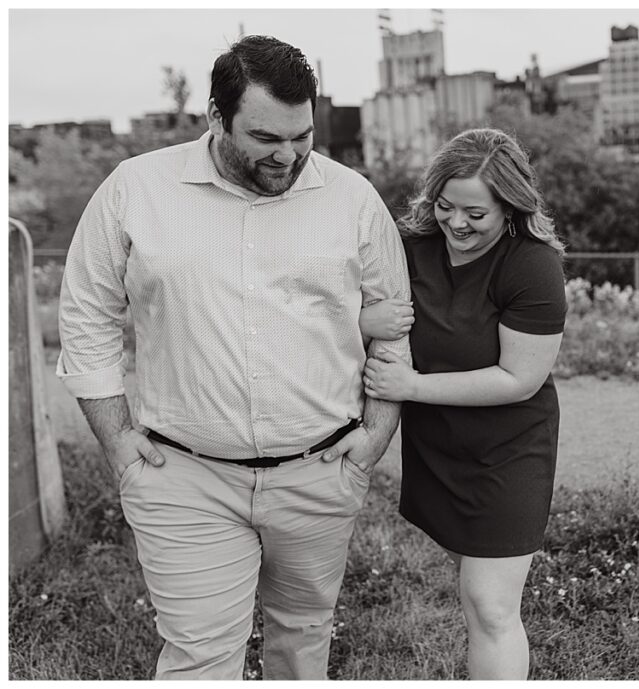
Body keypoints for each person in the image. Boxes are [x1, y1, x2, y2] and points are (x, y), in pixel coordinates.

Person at [56, 35, 410, 680]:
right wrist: (116, 439)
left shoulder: (353, 198)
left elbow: (394, 321)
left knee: (303, 639)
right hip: (182, 476)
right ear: (216, 116)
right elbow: (87, 315)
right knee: (199, 657)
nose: (288, 155)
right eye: (265, 137)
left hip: (322, 471)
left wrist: (376, 435)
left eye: (302, 136)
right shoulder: (136, 188)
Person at [361, 128, 567, 680]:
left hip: (508, 451)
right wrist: (363, 320)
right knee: (476, 592)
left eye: (475, 213)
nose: (456, 223)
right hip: (438, 448)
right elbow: (334, 305)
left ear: (510, 208)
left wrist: (411, 387)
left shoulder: (533, 265)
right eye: (445, 206)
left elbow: (519, 379)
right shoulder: (409, 248)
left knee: (491, 607)